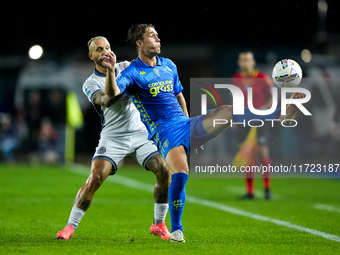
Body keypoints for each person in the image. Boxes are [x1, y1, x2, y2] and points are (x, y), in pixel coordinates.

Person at [101, 24, 301, 242]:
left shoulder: (168, 65)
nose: (158, 38)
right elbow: (112, 93)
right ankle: (176, 230)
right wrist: (111, 70)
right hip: (164, 132)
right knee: (180, 172)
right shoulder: (131, 72)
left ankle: (280, 115)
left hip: (187, 124)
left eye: (157, 34)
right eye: (152, 35)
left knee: (225, 111)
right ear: (139, 43)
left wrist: (192, 129)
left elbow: (179, 96)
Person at [56, 36, 171, 240]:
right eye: (99, 49)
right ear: (91, 55)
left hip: (141, 133)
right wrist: (110, 71)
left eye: (107, 47)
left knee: (163, 170)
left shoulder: (127, 66)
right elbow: (107, 100)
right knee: (95, 178)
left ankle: (159, 223)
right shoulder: (90, 83)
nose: (105, 52)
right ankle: (70, 227)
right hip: (114, 137)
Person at [232, 51, 273, 200]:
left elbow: (272, 99)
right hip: (243, 122)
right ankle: (250, 191)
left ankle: (267, 189)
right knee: (248, 156)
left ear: (253, 62)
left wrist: (263, 109)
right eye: (242, 60)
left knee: (262, 153)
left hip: (260, 121)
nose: (245, 63)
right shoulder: (236, 79)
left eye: (248, 60)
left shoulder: (263, 78)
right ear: (239, 63)